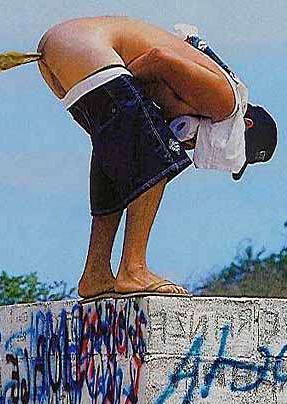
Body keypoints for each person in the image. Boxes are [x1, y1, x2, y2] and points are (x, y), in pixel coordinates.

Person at [36, 16, 277, 299]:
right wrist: (130, 96)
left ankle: (96, 273)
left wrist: (138, 108)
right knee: (156, 156)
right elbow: (159, 58)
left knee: (120, 157)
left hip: (65, 52)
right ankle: (133, 269)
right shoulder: (227, 101)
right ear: (245, 126)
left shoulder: (201, 102)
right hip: (88, 48)